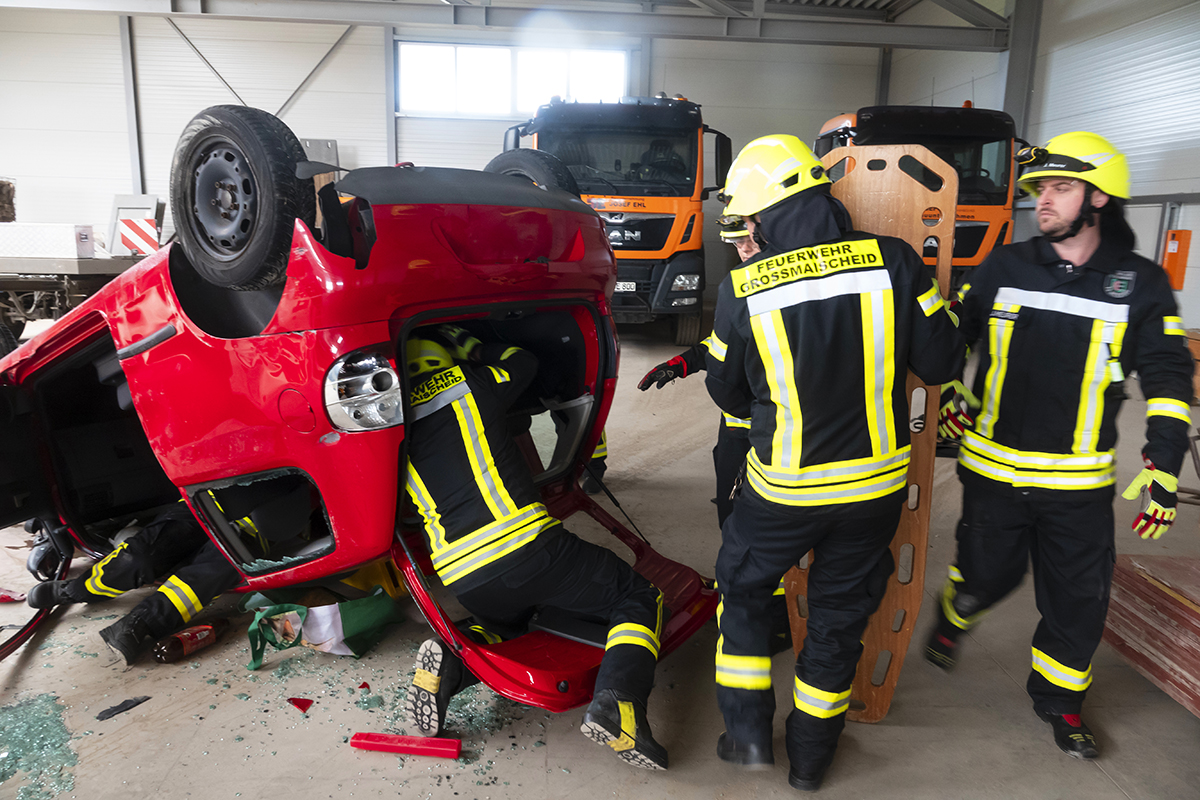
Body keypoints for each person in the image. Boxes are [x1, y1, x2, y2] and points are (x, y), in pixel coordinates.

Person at [704, 134, 964, 791]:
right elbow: (940, 364)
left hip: (783, 493)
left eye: (746, 223)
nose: (742, 238)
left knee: (740, 593)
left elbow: (725, 391)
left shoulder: (745, 289)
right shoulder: (898, 263)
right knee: (839, 619)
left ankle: (747, 740)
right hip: (875, 491)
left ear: (772, 212)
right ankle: (812, 760)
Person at [926, 131, 1194, 759]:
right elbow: (948, 341)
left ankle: (1060, 701)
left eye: (1060, 187)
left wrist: (1163, 462)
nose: (1042, 200)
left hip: (1079, 485)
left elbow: (1168, 377)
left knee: (1079, 602)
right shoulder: (1004, 265)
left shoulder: (1143, 284)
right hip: (992, 472)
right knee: (985, 578)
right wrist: (948, 396)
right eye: (1040, 188)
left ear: (1098, 197)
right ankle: (959, 609)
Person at [401, 326, 669, 770]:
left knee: (513, 621)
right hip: (528, 548)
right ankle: (618, 705)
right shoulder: (469, 383)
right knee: (637, 597)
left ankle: (454, 659)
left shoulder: (388, 423)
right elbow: (523, 361)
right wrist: (467, 343)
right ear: (442, 358)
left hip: (462, 575)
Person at [26, 503, 241, 664]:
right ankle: (77, 590)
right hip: (206, 499)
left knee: (221, 563)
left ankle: (141, 622)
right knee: (141, 556)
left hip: (257, 520)